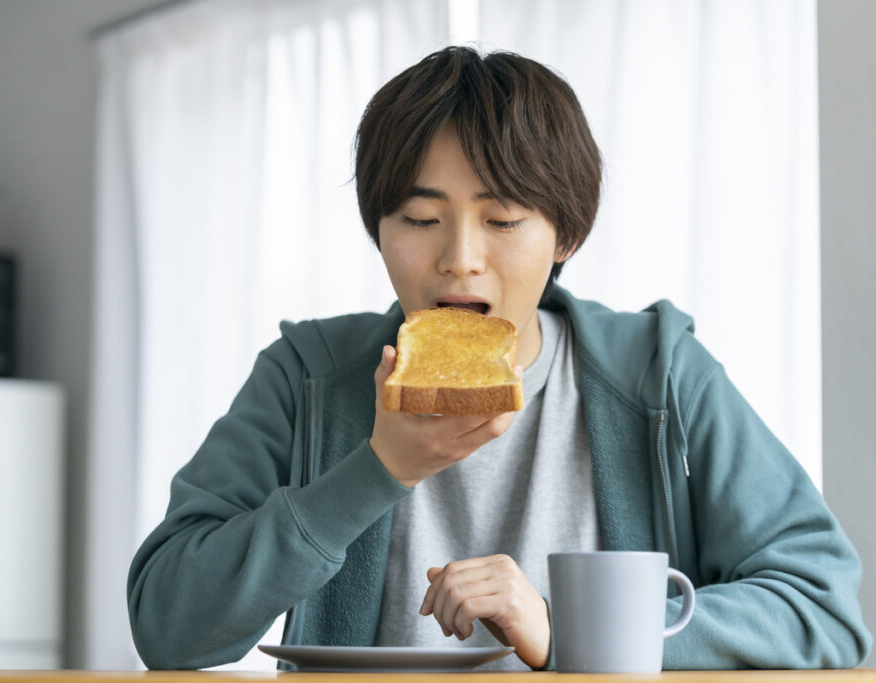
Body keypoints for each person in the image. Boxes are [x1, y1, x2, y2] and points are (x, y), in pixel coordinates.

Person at [127, 46, 871, 670]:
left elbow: (823, 609)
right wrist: (379, 468)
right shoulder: (309, 372)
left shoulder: (660, 369)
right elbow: (168, 625)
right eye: (420, 218)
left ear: (566, 238)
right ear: (379, 229)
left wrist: (565, 627)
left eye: (503, 219)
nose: (459, 260)